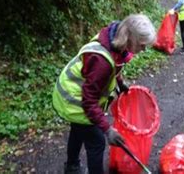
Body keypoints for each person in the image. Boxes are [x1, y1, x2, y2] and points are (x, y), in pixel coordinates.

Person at [52, 14, 156, 174]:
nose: (144, 49)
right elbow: (89, 102)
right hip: (73, 100)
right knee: (97, 142)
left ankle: (71, 166)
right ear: (130, 39)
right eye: (142, 45)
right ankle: (75, 167)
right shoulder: (101, 62)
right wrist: (107, 130)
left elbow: (114, 64)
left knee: (78, 130)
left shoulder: (113, 36)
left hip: (74, 91)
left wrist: (120, 83)